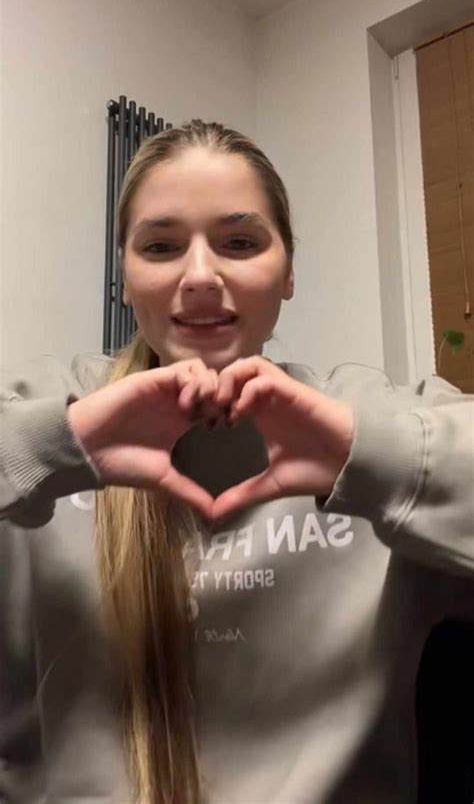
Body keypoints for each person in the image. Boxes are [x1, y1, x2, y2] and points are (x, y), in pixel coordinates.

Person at [0, 119, 473, 804]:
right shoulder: (46, 402)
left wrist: (362, 454)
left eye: (241, 242)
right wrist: (54, 445)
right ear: (126, 277)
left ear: (286, 273)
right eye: (161, 246)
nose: (200, 276)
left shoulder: (365, 408)